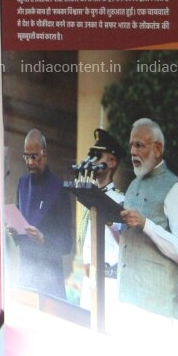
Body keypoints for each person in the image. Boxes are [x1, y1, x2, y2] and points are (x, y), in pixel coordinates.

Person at [116, 118, 178, 356]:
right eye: (131, 145)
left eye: (140, 145)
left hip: (156, 312)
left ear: (158, 149)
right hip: (128, 302)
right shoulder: (133, 186)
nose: (133, 152)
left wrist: (146, 224)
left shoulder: (174, 190)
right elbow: (132, 241)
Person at [8, 129, 73, 300]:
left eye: (34, 156)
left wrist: (43, 239)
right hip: (26, 272)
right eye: (26, 157)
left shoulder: (58, 188)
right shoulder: (22, 183)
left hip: (49, 278)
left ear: (44, 153)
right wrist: (15, 231)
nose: (30, 162)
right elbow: (20, 227)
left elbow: (67, 243)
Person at [77, 128, 126, 311]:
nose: (93, 161)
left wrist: (110, 221)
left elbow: (124, 244)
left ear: (112, 162)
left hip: (109, 280)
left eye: (98, 156)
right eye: (92, 155)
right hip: (89, 278)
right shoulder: (89, 196)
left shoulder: (120, 200)